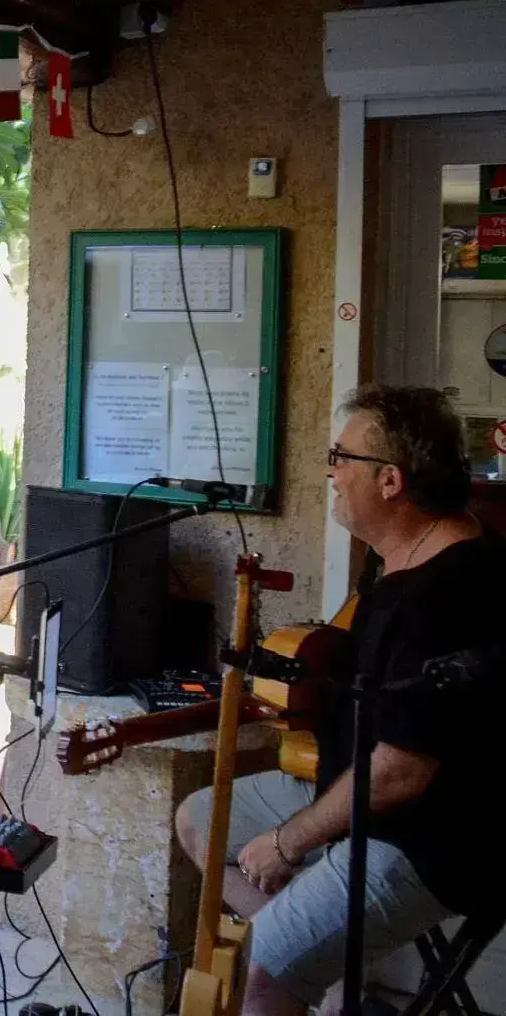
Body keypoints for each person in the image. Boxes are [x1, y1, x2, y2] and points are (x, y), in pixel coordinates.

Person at [173, 386, 506, 1016]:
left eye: (340, 457)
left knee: (262, 966)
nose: (330, 471)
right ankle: (328, 981)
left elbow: (402, 771)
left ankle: (287, 971)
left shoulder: (453, 590)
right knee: (202, 820)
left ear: (390, 481)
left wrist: (289, 842)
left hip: (432, 836)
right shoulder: (396, 562)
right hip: (356, 794)